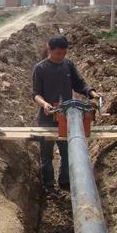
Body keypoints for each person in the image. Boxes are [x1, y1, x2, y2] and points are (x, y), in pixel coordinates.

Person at [32, 36, 100, 192]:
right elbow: (36, 93)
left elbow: (79, 84)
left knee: (67, 153)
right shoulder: (40, 68)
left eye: (63, 53)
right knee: (47, 156)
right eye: (57, 53)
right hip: (47, 118)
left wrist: (92, 92)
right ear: (49, 50)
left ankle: (64, 182)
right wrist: (44, 104)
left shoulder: (68, 65)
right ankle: (48, 185)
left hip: (67, 117)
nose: (61, 57)